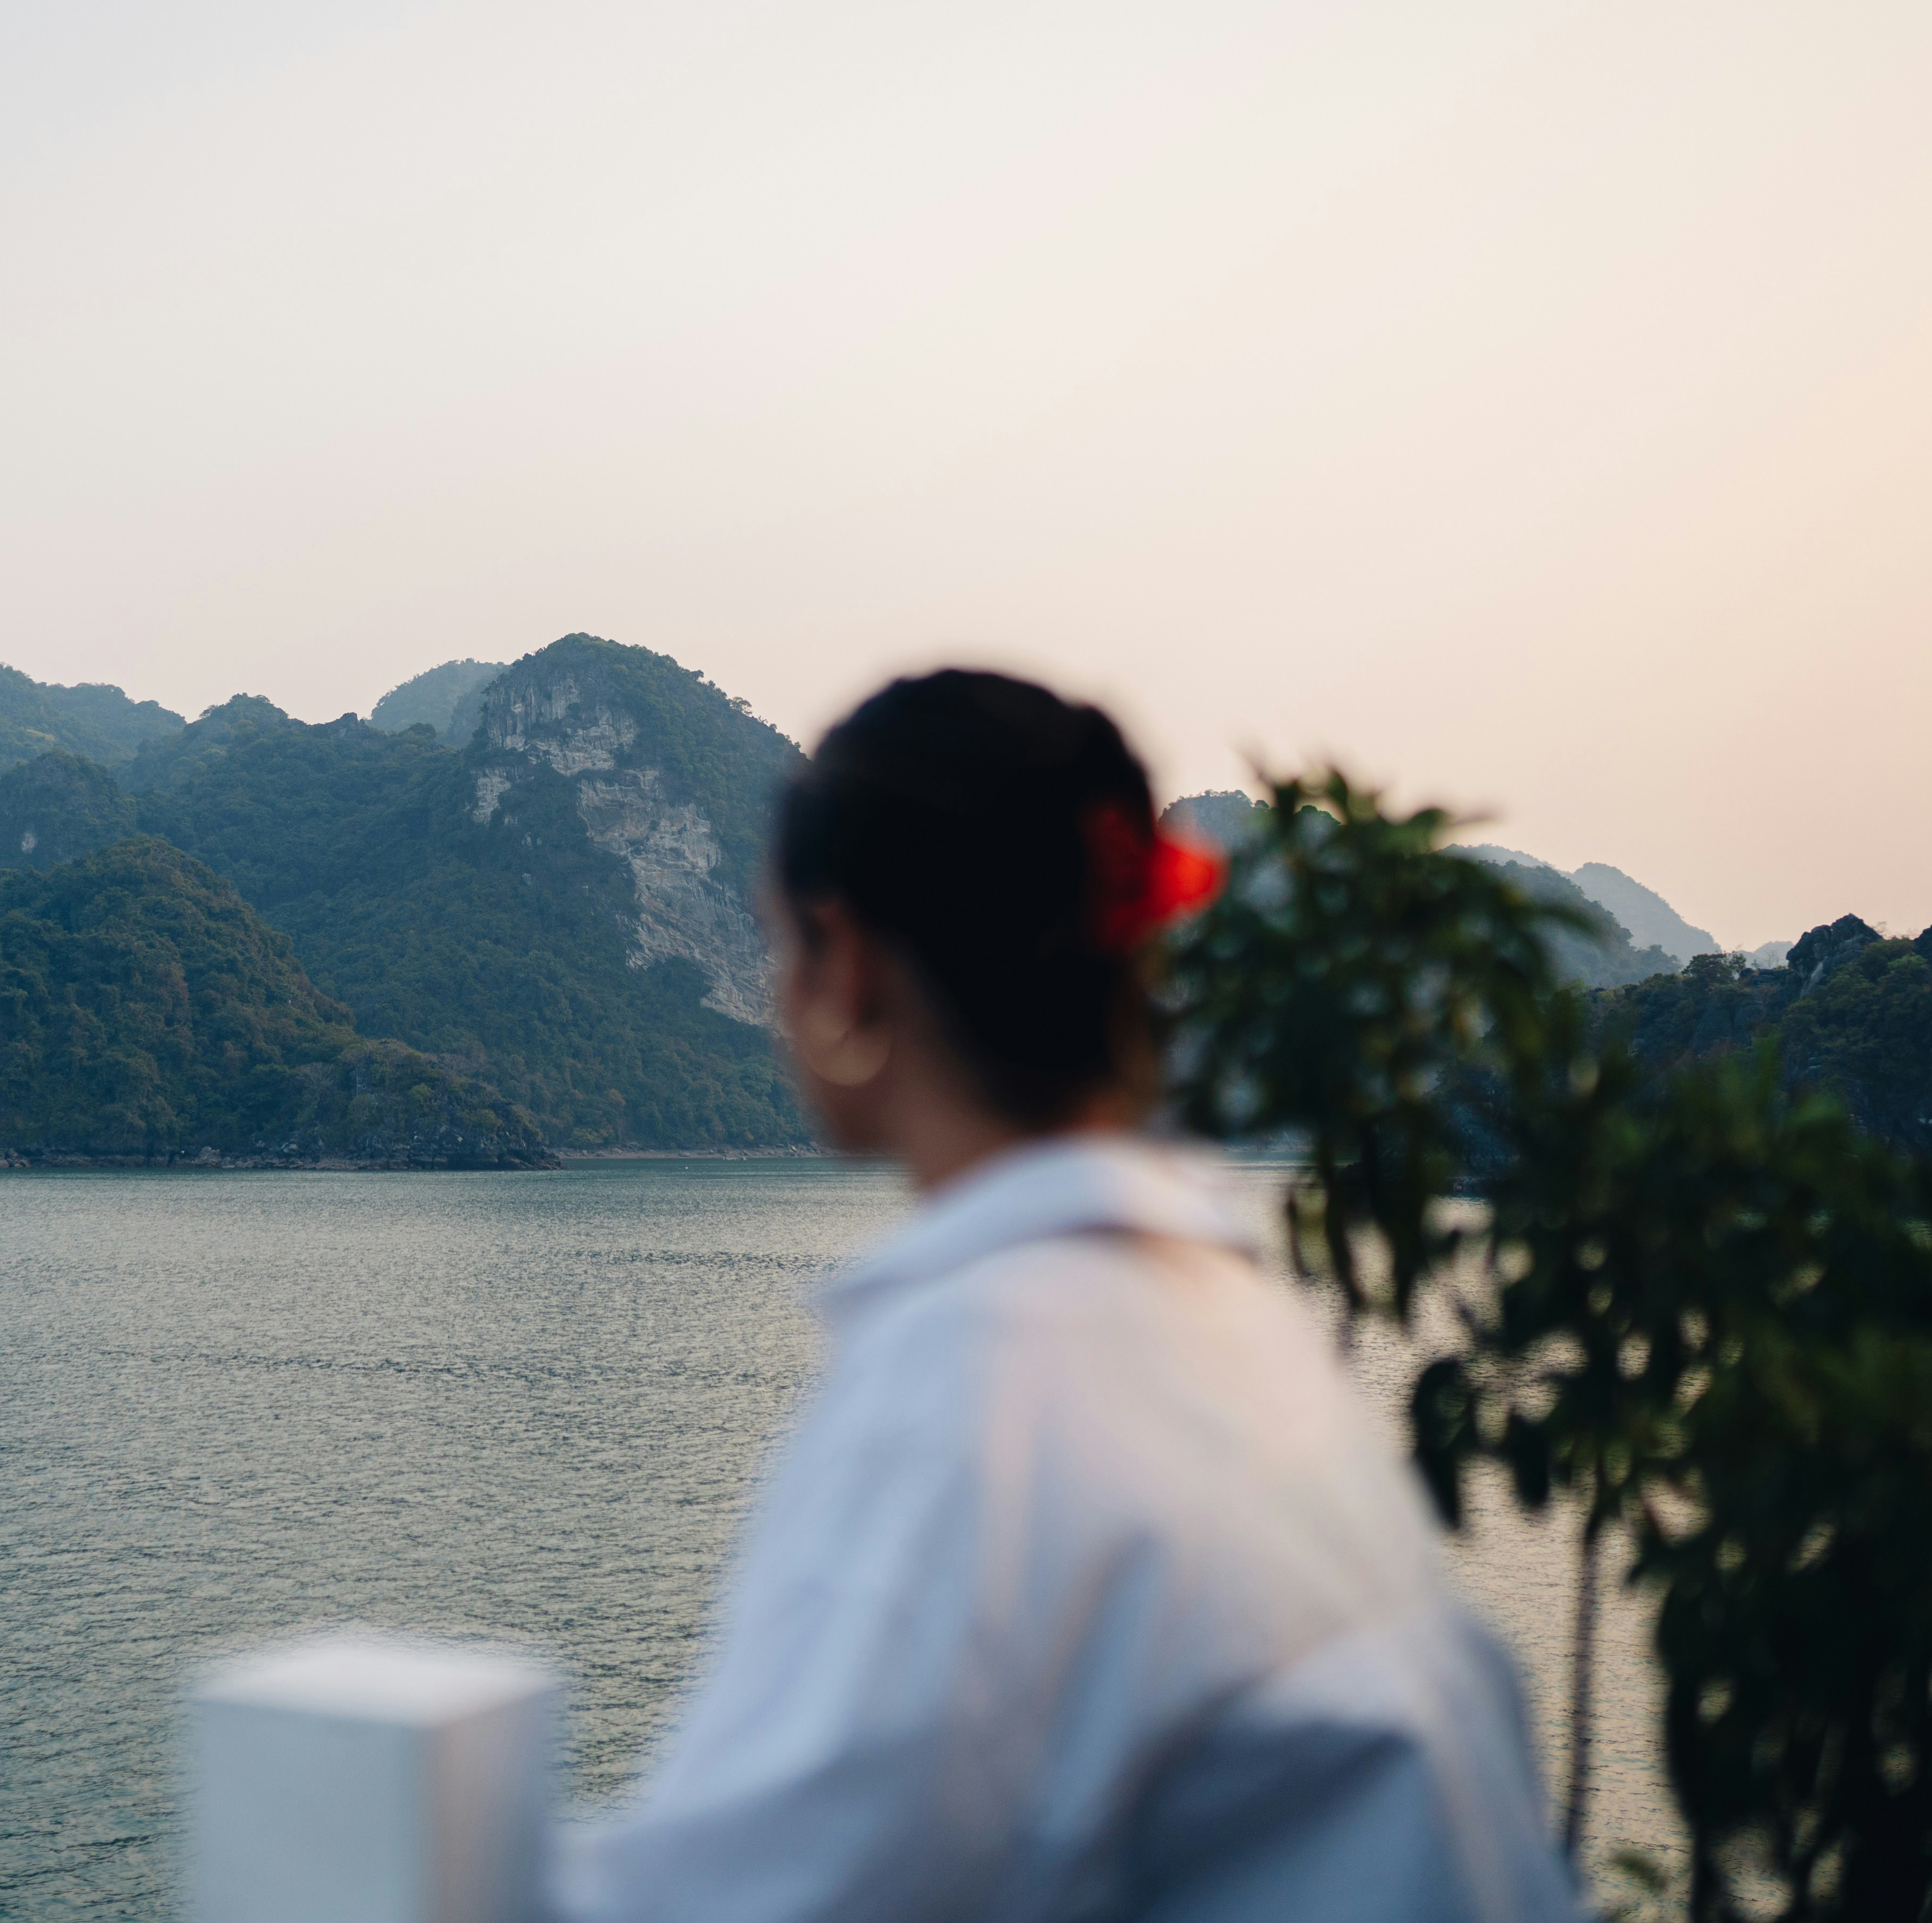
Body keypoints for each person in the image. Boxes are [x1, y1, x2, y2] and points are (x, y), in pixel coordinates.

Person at [548, 671, 1581, 1922]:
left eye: (782, 945)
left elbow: (739, 1898)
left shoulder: (969, 1384)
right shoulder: (1231, 1326)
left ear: (850, 966)